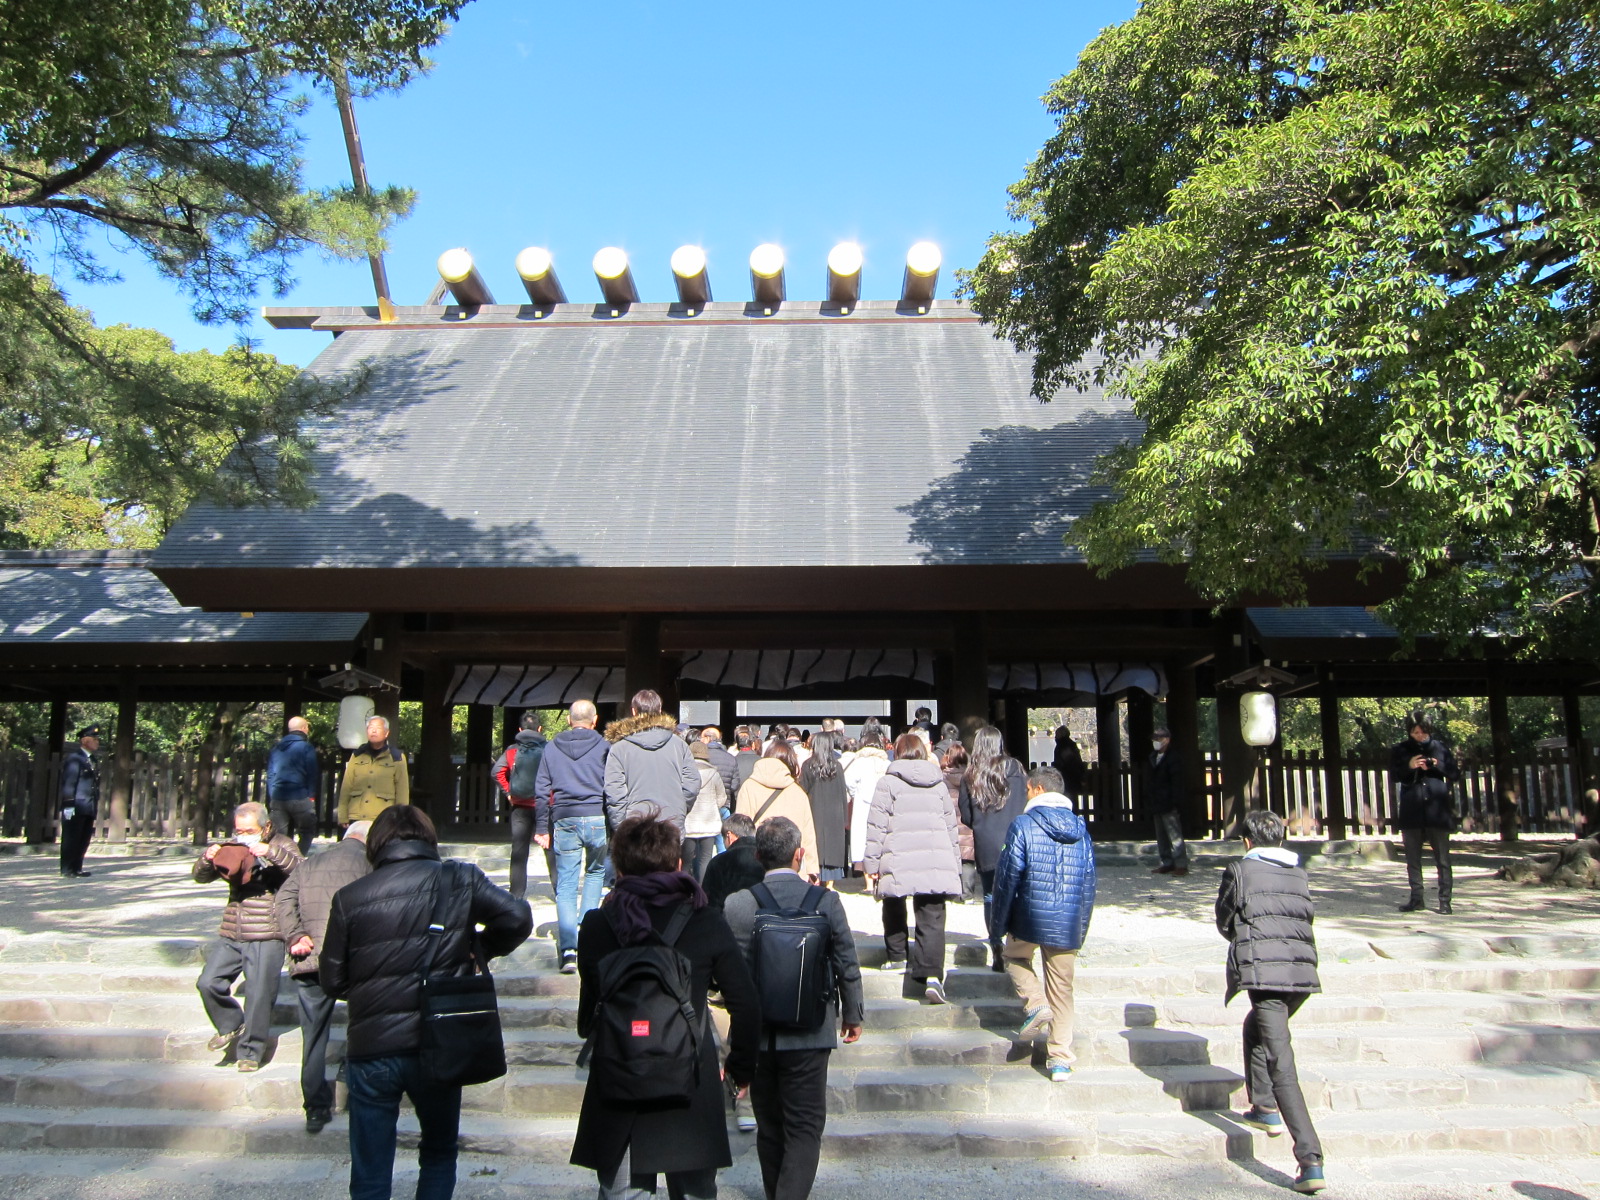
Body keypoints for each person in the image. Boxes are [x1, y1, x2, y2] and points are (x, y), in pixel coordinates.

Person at [321, 805, 532, 1200]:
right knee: (438, 1152)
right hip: (439, 1036)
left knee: (370, 1167)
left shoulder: (349, 898)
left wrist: (373, 991)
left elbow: (332, 980)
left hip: (373, 1046)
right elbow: (518, 917)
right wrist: (478, 949)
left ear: (377, 844)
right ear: (428, 839)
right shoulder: (459, 878)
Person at [571, 811, 761, 1200]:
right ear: (678, 864)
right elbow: (746, 1003)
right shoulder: (705, 920)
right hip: (688, 1076)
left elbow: (591, 1002)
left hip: (620, 1073)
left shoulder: (597, 925)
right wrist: (739, 1068)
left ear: (619, 867)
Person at [724, 817, 865, 1200]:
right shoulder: (827, 902)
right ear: (799, 855)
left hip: (758, 1034)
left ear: (757, 856)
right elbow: (846, 962)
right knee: (804, 1127)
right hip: (811, 1031)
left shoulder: (738, 905)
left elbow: (731, 978)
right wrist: (852, 1013)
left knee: (770, 1125)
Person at [1215, 808, 1326, 1195]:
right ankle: (1262, 1105)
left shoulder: (1240, 870)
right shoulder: (1298, 871)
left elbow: (1224, 919)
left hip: (1266, 973)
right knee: (1255, 1028)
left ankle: (1310, 1158)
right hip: (1300, 973)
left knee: (1282, 1062)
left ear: (1247, 841)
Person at [990, 766, 1096, 1082]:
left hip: (1029, 913)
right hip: (1067, 919)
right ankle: (1060, 1058)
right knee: (1062, 988)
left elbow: (1008, 877)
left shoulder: (1023, 825)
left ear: (1036, 789)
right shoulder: (1081, 828)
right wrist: (1082, 925)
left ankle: (1035, 1004)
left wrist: (998, 924)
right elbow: (1090, 882)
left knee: (1015, 957)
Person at [274, 819, 373, 1132]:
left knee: (313, 1034)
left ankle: (316, 1107)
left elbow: (282, 899)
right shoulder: (372, 864)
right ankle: (352, 1081)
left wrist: (295, 935)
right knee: (363, 1022)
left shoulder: (309, 863)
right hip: (355, 961)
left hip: (311, 956)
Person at [194, 801, 303, 1072]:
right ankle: (230, 1023)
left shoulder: (283, 844)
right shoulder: (234, 846)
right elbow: (201, 877)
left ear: (265, 826)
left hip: (267, 931)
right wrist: (207, 859)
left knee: (258, 995)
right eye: (238, 830)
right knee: (208, 982)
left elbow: (302, 870)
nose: (243, 834)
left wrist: (272, 853)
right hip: (233, 930)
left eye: (249, 830)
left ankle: (251, 1052)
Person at [862, 733, 962, 1004]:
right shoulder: (938, 784)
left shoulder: (888, 783)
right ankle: (931, 974)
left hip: (898, 854)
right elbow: (951, 827)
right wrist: (955, 864)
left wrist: (871, 864)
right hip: (934, 857)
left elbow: (876, 827)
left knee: (893, 902)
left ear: (897, 752)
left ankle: (897, 957)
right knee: (932, 913)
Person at [534, 699, 611, 973]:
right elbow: (612, 787)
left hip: (564, 816)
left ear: (568, 720)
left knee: (566, 883)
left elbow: (541, 790)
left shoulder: (552, 747)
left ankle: (568, 949)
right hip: (595, 816)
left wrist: (542, 828)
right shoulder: (604, 746)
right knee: (595, 873)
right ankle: (587, 935)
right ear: (595, 719)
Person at [958, 726, 1029, 971]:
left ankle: (996, 944)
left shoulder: (972, 774)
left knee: (990, 895)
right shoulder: (1016, 769)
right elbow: (1025, 803)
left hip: (986, 840)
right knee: (1017, 893)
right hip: (1015, 838)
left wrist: (981, 821)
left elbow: (966, 815)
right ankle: (1016, 947)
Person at [604, 690, 701, 834]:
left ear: (633, 711)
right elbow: (692, 784)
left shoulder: (619, 748)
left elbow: (614, 792)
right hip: (671, 822)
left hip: (634, 824)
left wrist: (621, 827)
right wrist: (679, 807)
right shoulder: (679, 745)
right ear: (660, 710)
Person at [1389, 715, 1458, 914]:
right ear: (1409, 732)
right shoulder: (1400, 749)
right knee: (1413, 859)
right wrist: (1409, 766)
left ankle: (1445, 901)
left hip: (1438, 812)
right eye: (1415, 732)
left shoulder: (1440, 747)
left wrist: (1437, 764)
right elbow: (1394, 775)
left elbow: (1455, 774)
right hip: (1412, 809)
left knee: (1443, 859)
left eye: (1423, 732)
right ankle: (1416, 898)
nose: (1419, 736)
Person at [735, 741, 819, 880]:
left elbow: (741, 831)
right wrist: (811, 868)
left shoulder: (749, 787)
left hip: (757, 865)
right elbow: (808, 835)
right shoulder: (798, 793)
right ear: (791, 763)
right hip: (792, 868)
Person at [493, 711, 549, 902]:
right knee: (551, 850)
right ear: (540, 729)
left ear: (519, 729)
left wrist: (508, 792)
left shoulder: (512, 750)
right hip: (544, 806)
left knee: (519, 851)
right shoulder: (549, 749)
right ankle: (560, 891)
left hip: (519, 808)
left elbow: (496, 772)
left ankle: (516, 894)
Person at [338, 715, 409, 828]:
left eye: (378, 728)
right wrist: (342, 814)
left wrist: (400, 818)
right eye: (371, 727)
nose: (374, 730)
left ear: (386, 733)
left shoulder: (396, 757)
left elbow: (402, 790)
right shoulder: (357, 755)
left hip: (384, 816)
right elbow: (347, 786)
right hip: (357, 815)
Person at [797, 730, 849, 884]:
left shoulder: (808, 765)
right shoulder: (837, 766)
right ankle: (831, 883)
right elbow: (842, 792)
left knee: (816, 843)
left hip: (815, 810)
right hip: (835, 813)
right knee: (833, 847)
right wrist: (844, 818)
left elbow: (802, 791)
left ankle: (816, 877)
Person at [267, 715, 322, 854]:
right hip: (300, 795)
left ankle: (280, 861)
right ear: (304, 728)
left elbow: (270, 775)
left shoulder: (276, 748)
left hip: (278, 796)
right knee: (307, 831)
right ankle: (298, 858)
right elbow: (312, 773)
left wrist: (272, 794)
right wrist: (311, 796)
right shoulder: (306, 747)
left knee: (279, 835)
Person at [57, 724, 101, 878]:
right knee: (71, 837)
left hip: (88, 805)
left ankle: (77, 867)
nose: (97, 742)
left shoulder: (92, 760)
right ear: (84, 741)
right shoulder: (74, 759)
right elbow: (69, 782)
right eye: (94, 739)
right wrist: (68, 803)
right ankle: (67, 868)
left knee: (83, 838)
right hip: (76, 804)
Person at [844, 727, 891, 870]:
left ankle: (866, 876)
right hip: (884, 805)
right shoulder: (887, 763)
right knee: (882, 837)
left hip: (863, 803)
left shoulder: (859, 762)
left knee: (863, 839)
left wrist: (855, 793)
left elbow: (848, 781)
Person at [1146, 726, 1189, 877]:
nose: (1156, 741)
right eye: (1154, 739)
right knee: (1161, 835)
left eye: (1159, 738)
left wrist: (1175, 801)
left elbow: (1177, 782)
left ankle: (1181, 864)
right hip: (1156, 800)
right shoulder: (1152, 757)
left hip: (1169, 801)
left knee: (1174, 835)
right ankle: (1166, 862)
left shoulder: (1173, 758)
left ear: (1167, 739)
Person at [685, 741, 729, 881]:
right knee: (705, 860)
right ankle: (703, 893)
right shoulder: (713, 774)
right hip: (709, 823)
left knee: (686, 862)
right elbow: (722, 797)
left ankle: (684, 893)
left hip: (688, 824)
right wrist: (713, 806)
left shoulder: (684, 774)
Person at [704, 813, 765, 910]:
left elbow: (709, 903)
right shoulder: (767, 857)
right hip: (763, 919)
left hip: (726, 920)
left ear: (729, 835)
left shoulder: (718, 862)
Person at [699, 725, 740, 799]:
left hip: (704, 802)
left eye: (702, 738)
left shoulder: (700, 757)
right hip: (724, 802)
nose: (700, 740)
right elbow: (734, 785)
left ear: (707, 738)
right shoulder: (731, 758)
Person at [1052, 727, 1088, 799]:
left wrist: (1057, 766)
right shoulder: (1069, 745)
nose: (1055, 736)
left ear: (1062, 734)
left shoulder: (1064, 746)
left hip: (1068, 777)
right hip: (1071, 777)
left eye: (1057, 734)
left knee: (1068, 797)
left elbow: (1070, 762)